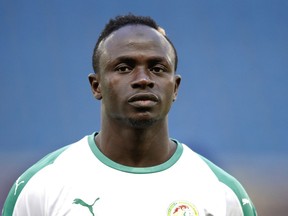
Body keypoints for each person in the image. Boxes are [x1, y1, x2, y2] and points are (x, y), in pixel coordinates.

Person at [3, 14, 257, 216]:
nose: (143, 79)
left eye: (157, 68)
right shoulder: (41, 186)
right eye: (124, 67)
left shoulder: (223, 194)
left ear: (175, 87)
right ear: (96, 85)